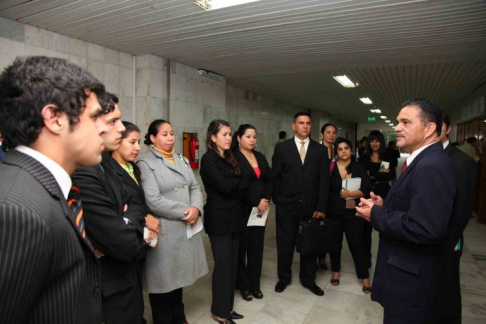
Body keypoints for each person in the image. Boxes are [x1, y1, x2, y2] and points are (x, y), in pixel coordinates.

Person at [0, 56, 105, 323]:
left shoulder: (47, 188)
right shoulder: (16, 211)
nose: (103, 128)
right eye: (94, 117)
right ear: (55, 119)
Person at [356, 98, 457, 323]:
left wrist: (376, 214)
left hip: (412, 286)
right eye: (397, 122)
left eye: (405, 122)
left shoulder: (432, 166)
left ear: (430, 128)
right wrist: (385, 206)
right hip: (406, 279)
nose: (397, 127)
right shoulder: (423, 161)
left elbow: (426, 229)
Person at [72, 93, 153, 324]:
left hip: (124, 278)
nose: (120, 129)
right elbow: (124, 243)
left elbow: (135, 202)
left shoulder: (105, 163)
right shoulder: (84, 170)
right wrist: (126, 224)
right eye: (113, 122)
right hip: (109, 285)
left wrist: (123, 219)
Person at [138, 119, 208, 324]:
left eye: (172, 133)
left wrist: (197, 208)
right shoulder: (146, 163)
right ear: (152, 138)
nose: (170, 138)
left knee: (178, 279)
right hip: (166, 230)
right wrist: (188, 211)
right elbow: (153, 200)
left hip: (185, 227)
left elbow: (195, 187)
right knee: (162, 281)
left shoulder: (182, 159)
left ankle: (179, 316)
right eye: (164, 134)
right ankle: (163, 320)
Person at [272, 112, 329, 296]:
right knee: (285, 243)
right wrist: (279, 201)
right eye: (301, 123)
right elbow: (275, 178)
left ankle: (308, 279)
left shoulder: (320, 150)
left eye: (308, 123)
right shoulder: (282, 149)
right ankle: (284, 278)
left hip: (311, 207)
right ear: (293, 126)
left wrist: (321, 206)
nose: (305, 126)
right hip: (287, 206)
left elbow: (324, 181)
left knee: (309, 245)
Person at [200, 119, 247, 324]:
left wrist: (236, 184)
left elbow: (241, 182)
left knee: (233, 265)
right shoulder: (208, 160)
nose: (228, 138)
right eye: (224, 134)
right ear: (213, 137)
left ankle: (227, 308)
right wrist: (237, 183)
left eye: (229, 134)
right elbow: (226, 187)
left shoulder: (230, 157)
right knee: (223, 266)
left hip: (234, 217)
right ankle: (219, 311)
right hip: (218, 218)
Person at [439, 114, 477, 323]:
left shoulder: (462, 163)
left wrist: (449, 241)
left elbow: (462, 209)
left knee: (447, 290)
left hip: (446, 240)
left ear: (448, 129)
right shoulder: (420, 157)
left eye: (438, 126)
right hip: (422, 238)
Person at [232, 124, 274, 301]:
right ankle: (243, 285)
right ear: (239, 138)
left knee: (256, 249)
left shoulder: (260, 156)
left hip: (259, 211)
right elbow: (238, 185)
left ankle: (254, 285)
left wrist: (265, 199)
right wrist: (255, 201)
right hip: (242, 210)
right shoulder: (233, 157)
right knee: (242, 249)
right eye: (248, 136)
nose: (252, 140)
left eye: (254, 137)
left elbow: (269, 179)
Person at [327, 138, 372, 293]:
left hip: (353, 212)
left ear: (352, 150)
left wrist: (350, 194)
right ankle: (336, 272)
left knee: (356, 244)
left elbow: (366, 188)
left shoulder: (359, 167)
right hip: (334, 212)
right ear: (336, 152)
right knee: (335, 244)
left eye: (346, 148)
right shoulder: (330, 167)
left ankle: (365, 277)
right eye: (340, 149)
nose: (343, 151)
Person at [358, 130, 394, 268]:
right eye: (372, 141)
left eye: (377, 141)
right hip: (367, 193)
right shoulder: (364, 157)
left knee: (383, 227)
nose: (374, 144)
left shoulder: (387, 156)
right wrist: (377, 173)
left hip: (383, 193)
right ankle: (366, 259)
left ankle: (385, 259)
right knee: (366, 230)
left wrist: (371, 173)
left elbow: (387, 176)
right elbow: (363, 177)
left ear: (381, 142)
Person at [318, 123, 337, 270]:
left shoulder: (338, 150)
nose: (331, 135)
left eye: (333, 132)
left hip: (334, 193)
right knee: (320, 226)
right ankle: (321, 257)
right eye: (328, 132)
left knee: (331, 227)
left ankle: (330, 255)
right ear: (322, 134)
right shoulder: (317, 149)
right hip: (319, 191)